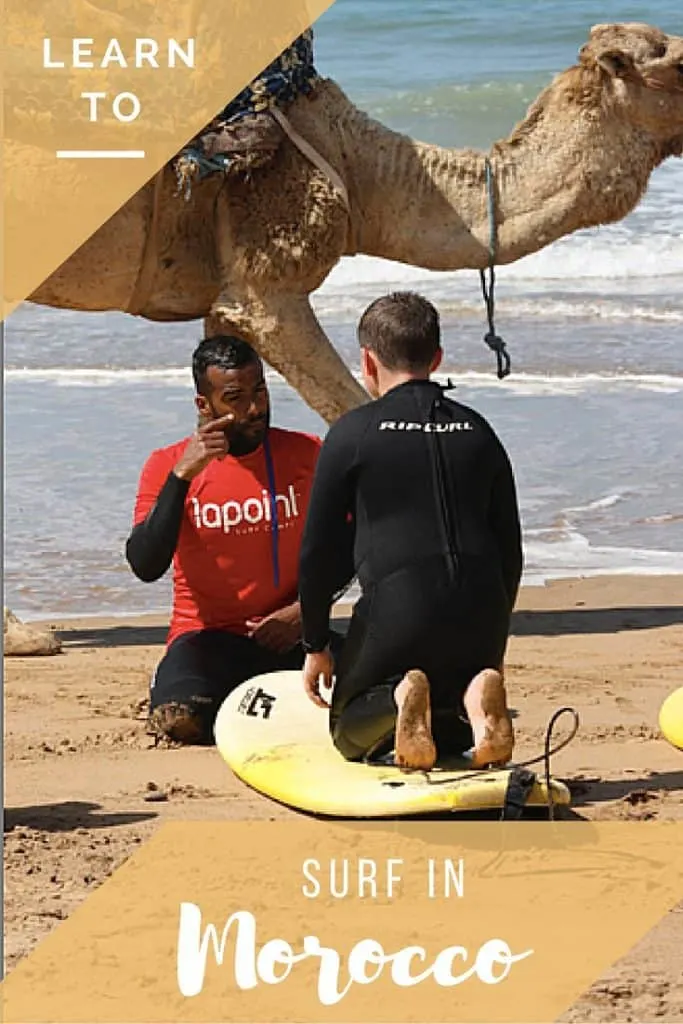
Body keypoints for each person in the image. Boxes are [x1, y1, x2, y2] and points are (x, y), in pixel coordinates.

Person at [298, 292, 523, 771]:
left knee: (348, 730)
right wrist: (493, 643)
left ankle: (400, 694)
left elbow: (317, 550)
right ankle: (476, 701)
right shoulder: (478, 430)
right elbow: (510, 547)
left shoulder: (353, 433)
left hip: (400, 607)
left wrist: (315, 644)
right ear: (436, 357)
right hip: (482, 607)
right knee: (450, 729)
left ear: (367, 361)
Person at [125, 334, 329, 745]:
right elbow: (145, 565)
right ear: (205, 405)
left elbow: (359, 543)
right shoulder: (168, 464)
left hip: (293, 632)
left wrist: (305, 611)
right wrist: (181, 479)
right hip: (206, 638)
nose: (254, 408)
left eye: (260, 391)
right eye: (235, 397)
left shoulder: (309, 453)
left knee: (380, 683)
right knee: (182, 718)